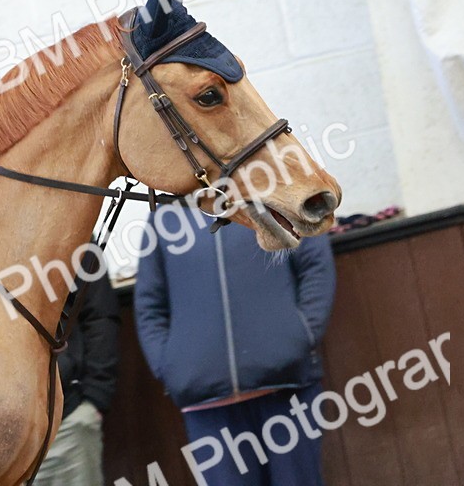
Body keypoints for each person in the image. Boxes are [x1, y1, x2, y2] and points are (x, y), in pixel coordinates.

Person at [134, 207, 335, 486]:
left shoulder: (275, 192)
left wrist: (301, 335)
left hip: (288, 391)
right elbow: (149, 303)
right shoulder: (166, 218)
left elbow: (316, 267)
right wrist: (170, 365)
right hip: (207, 406)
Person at [37, 250, 120, 486]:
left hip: (71, 419)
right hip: (3, 440)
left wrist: (95, 397)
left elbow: (100, 315)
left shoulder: (68, 228)